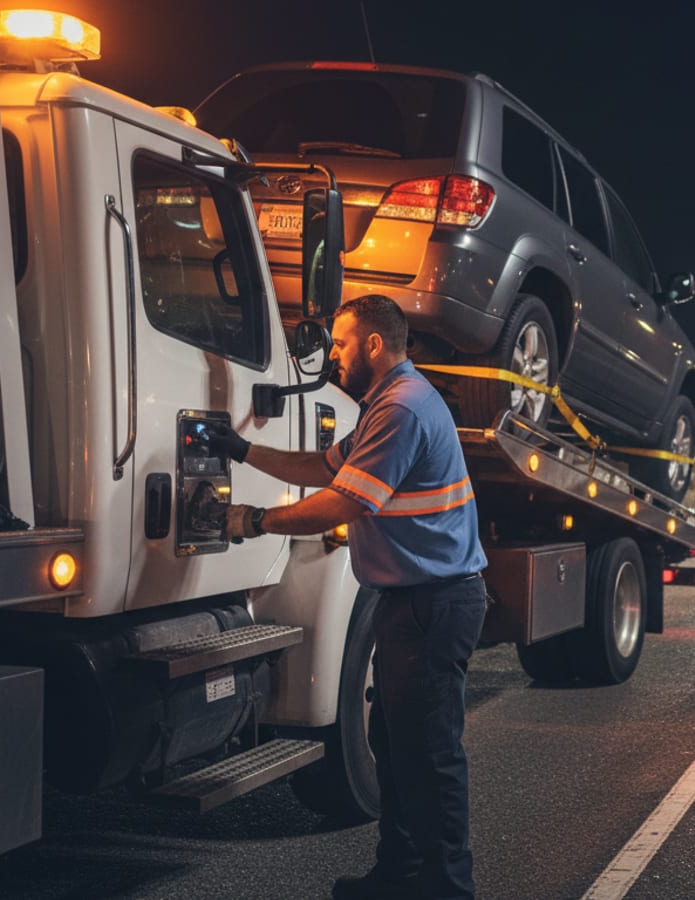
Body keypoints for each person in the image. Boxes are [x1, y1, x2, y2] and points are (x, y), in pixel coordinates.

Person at [214, 294, 488, 900]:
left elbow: (347, 501)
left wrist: (255, 521)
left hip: (434, 605)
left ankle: (449, 888)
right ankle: (400, 874)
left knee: (430, 756)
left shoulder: (404, 410)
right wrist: (243, 451)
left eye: (340, 344)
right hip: (413, 602)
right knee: (395, 749)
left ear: (372, 344)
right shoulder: (383, 406)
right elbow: (323, 467)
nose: (332, 355)